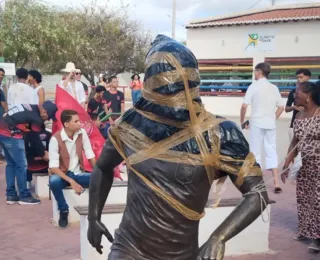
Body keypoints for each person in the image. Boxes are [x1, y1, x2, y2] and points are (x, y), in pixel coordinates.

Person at [87, 35, 270, 260]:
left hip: (181, 255)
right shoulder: (131, 125)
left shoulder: (220, 134)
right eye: (167, 91)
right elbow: (103, 167)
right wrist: (93, 218)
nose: (174, 99)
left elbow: (257, 192)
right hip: (128, 248)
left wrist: (219, 237)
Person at [281, 81, 320, 252]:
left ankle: (317, 238)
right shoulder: (299, 116)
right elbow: (295, 142)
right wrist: (286, 164)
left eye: (297, 93)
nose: (294, 95)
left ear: (308, 95)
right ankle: (305, 230)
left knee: (317, 201)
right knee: (304, 200)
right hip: (305, 167)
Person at [0, 100, 57, 205]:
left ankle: (11, 195)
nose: (48, 119)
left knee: (11, 164)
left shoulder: (30, 106)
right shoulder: (36, 118)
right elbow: (34, 137)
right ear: (44, 111)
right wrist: (43, 154)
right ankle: (24, 196)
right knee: (22, 165)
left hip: (2, 131)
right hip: (11, 134)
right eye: (49, 116)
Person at [240, 62, 284, 194]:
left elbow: (244, 106)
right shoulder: (274, 87)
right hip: (270, 124)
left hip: (257, 123)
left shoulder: (253, 87)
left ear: (259, 72)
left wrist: (242, 121)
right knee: (271, 150)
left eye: (255, 71)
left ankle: (258, 184)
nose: (254, 73)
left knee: (255, 152)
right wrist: (273, 118)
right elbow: (281, 107)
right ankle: (276, 183)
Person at [49, 110, 96, 228]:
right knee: (53, 182)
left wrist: (98, 173)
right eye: (76, 121)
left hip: (78, 174)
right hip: (62, 175)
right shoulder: (55, 139)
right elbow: (53, 167)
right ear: (66, 124)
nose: (80, 123)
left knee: (99, 179)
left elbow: (90, 154)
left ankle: (95, 210)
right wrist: (71, 182)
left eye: (79, 121)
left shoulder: (82, 133)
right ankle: (63, 210)